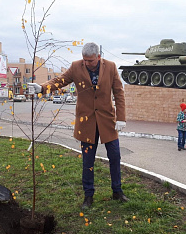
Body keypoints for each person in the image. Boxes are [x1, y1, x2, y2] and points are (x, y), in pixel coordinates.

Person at [28, 42, 128, 209]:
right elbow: (60, 81)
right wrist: (42, 88)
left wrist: (121, 118)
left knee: (115, 157)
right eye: (84, 60)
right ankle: (88, 196)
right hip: (86, 123)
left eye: (90, 60)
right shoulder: (76, 67)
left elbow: (119, 92)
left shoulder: (110, 67)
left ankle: (117, 191)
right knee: (87, 162)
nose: (86, 63)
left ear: (98, 57)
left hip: (107, 122)